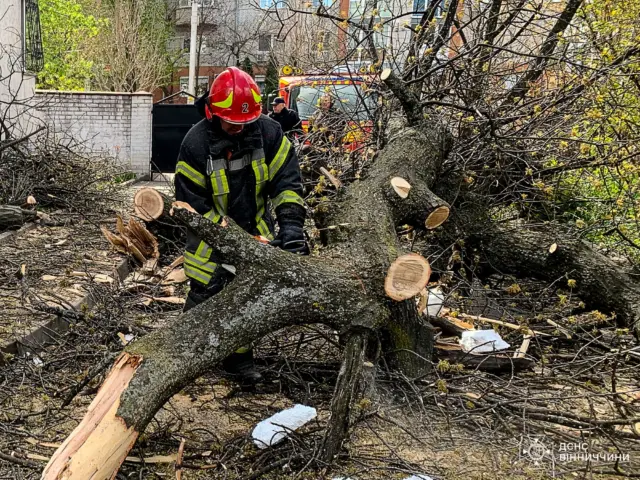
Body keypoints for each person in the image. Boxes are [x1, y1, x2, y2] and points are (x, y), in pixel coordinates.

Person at [174, 67, 309, 387]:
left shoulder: (270, 134)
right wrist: (230, 235)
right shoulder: (195, 145)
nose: (237, 128)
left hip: (256, 225)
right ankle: (180, 355)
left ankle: (238, 360)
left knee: (247, 297)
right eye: (231, 122)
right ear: (213, 112)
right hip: (209, 232)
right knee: (205, 291)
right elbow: (190, 205)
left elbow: (287, 184)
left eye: (244, 123)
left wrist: (291, 226)